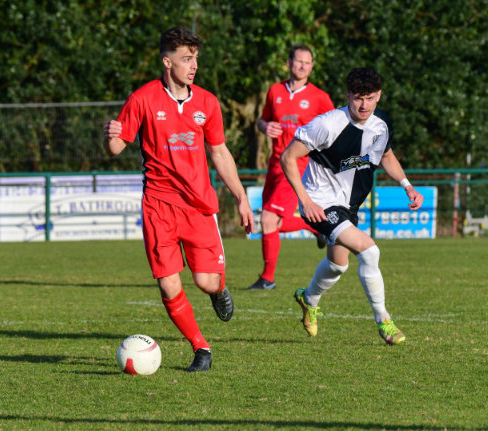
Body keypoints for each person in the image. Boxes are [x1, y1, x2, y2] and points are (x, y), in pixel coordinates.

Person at [103, 26, 254, 372]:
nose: (194, 65)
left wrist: (241, 198)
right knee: (168, 283)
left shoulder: (207, 103)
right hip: (158, 206)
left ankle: (217, 290)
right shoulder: (142, 99)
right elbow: (116, 146)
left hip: (198, 206)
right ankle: (201, 347)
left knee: (205, 281)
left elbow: (219, 152)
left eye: (195, 58)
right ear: (167, 62)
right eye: (187, 58)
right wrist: (108, 135)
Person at [280, 67, 424, 344]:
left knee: (338, 265)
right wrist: (305, 201)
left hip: (350, 205)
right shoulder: (327, 124)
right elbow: (288, 157)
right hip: (321, 202)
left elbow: (386, 156)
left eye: (369, 98)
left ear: (378, 95)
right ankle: (384, 321)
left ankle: (309, 299)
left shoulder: (381, 124)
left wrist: (407, 185)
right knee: (369, 251)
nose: (364, 105)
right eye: (358, 98)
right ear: (347, 95)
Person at [247, 44, 336, 290]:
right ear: (289, 63)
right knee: (271, 223)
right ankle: (317, 227)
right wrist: (265, 127)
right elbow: (262, 120)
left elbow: (336, 127)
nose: (303, 66)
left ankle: (267, 279)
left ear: (312, 67)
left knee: (268, 219)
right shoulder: (275, 91)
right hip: (274, 165)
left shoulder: (319, 97)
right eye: (299, 61)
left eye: (307, 62)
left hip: (298, 165)